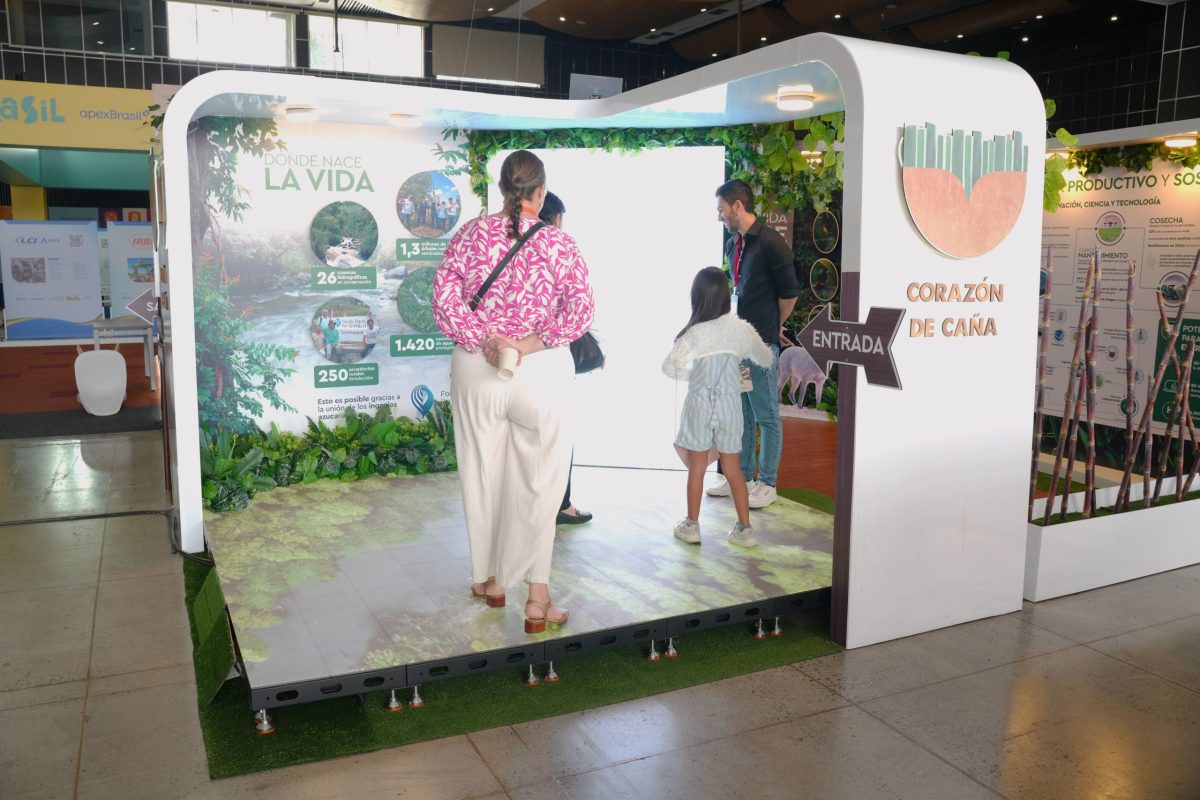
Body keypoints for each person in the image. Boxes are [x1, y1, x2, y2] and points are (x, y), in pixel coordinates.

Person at [433, 150, 594, 634]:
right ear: (540, 193)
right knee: (541, 481)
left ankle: (491, 581)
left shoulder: (469, 235)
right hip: (541, 370)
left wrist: (484, 339)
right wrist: (527, 344)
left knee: (483, 473)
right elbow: (580, 312)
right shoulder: (559, 244)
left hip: (476, 367)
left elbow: (443, 298)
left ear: (503, 189)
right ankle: (537, 598)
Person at [705, 180, 798, 509]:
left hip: (761, 345)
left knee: (767, 414)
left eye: (721, 210)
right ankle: (741, 478)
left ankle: (767, 482)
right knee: (742, 412)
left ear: (738, 206)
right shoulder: (734, 244)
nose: (719, 217)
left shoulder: (772, 243)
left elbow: (789, 295)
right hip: (738, 344)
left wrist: (774, 325)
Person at [664, 267, 773, 546]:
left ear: (697, 296)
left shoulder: (694, 333)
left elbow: (669, 367)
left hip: (699, 402)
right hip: (730, 404)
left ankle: (691, 526)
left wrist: (694, 376)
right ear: (726, 295)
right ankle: (745, 529)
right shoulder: (741, 329)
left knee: (697, 466)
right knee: (733, 468)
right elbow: (766, 359)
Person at [537, 191, 593, 527]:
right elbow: (579, 309)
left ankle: (527, 504)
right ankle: (561, 504)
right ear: (556, 218)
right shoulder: (560, 247)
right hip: (551, 356)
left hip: (514, 358)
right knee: (557, 433)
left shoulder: (507, 243)